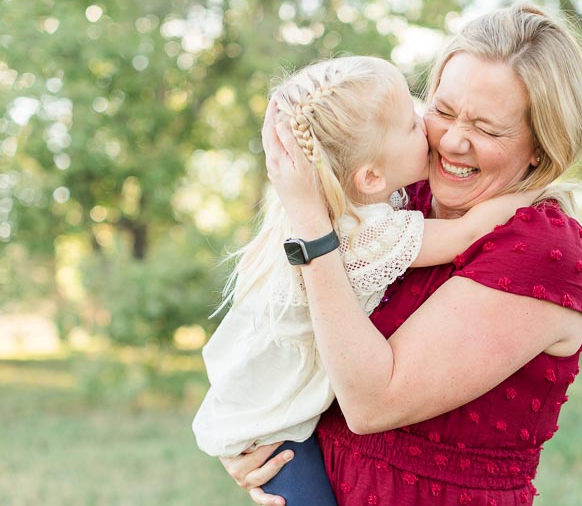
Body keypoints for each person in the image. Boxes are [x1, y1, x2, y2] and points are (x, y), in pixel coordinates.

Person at [223, 3, 582, 505]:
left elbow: (371, 404)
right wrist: (254, 438)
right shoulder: (401, 201)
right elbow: (296, 336)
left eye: (487, 129)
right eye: (441, 111)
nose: (452, 140)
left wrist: (312, 224)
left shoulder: (540, 248)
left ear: (541, 146)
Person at [192, 55, 535, 505]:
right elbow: (467, 232)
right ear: (371, 176)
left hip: (268, 407)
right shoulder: (365, 233)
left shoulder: (323, 203)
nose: (426, 126)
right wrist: (537, 186)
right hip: (276, 429)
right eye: (416, 125)